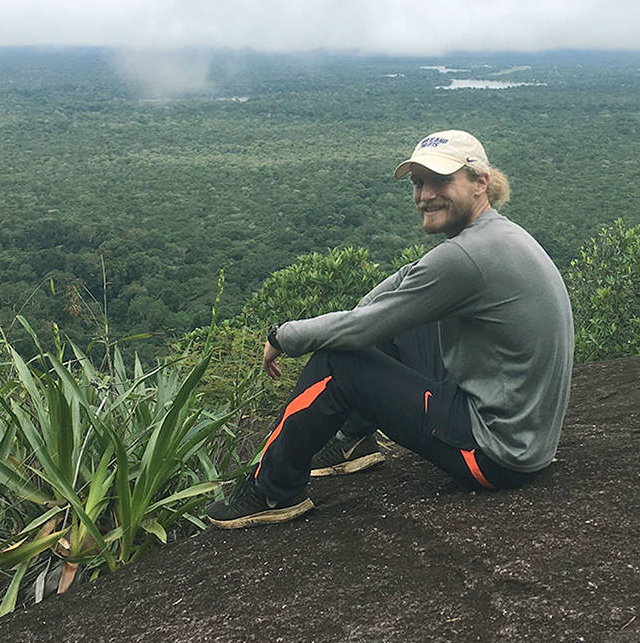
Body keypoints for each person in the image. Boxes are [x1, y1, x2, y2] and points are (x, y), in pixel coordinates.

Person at [206, 129, 574, 529]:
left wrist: (283, 336)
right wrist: (367, 315)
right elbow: (404, 283)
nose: (425, 194)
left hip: (495, 453)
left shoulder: (466, 256)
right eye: (418, 183)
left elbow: (360, 329)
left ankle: (273, 489)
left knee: (337, 360)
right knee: (401, 326)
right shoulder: (496, 236)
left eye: (440, 180)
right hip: (523, 433)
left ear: (480, 181)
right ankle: (353, 441)